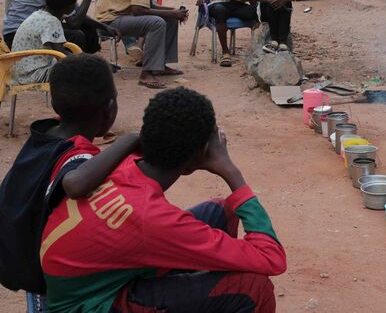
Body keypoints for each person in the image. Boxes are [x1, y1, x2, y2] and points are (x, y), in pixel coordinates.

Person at [41, 87, 287, 312]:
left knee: (223, 211)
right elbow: (270, 258)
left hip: (90, 282)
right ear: (197, 159)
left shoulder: (122, 163)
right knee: (255, 289)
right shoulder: (152, 217)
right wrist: (232, 173)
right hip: (92, 303)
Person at [0, 54, 139, 312]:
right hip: (48, 278)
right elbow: (75, 183)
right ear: (109, 109)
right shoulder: (78, 156)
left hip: (24, 260)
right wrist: (130, 140)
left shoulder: (45, 133)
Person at [96, 0, 189, 89]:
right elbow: (138, 10)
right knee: (157, 23)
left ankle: (159, 66)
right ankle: (146, 74)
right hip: (109, 21)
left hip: (118, 16)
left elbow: (148, 6)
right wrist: (172, 12)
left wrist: (174, 12)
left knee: (169, 18)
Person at [9, 0, 79, 86]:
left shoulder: (39, 14)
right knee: (80, 72)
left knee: (78, 65)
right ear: (68, 7)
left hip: (19, 72)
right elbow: (61, 55)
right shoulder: (52, 22)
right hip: (33, 74)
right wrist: (85, 61)